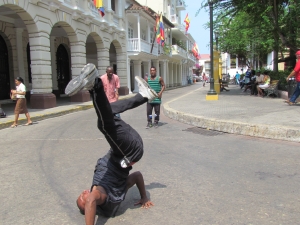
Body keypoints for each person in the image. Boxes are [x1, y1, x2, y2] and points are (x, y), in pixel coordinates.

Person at [65, 63, 156, 225]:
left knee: (108, 111)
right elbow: (92, 199)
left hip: (127, 148)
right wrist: (89, 202)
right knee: (104, 123)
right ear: (90, 208)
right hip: (130, 151)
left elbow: (136, 176)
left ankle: (143, 96)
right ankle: (95, 85)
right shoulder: (101, 195)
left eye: (81, 195)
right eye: (82, 198)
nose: (84, 193)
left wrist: (144, 197)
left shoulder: (117, 188)